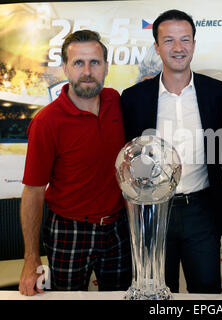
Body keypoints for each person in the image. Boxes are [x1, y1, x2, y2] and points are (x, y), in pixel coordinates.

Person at [121, 9, 222, 294]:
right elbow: (128, 160)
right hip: (153, 213)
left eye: (185, 39)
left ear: (194, 44)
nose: (178, 48)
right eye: (169, 40)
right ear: (156, 46)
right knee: (157, 292)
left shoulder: (217, 92)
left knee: (206, 291)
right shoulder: (134, 98)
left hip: (202, 211)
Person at [19, 30, 131, 296]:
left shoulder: (116, 102)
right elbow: (33, 191)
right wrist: (31, 258)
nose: (87, 71)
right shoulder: (47, 122)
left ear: (106, 66)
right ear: (64, 68)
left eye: (95, 62)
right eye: (78, 63)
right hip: (69, 232)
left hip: (117, 229)